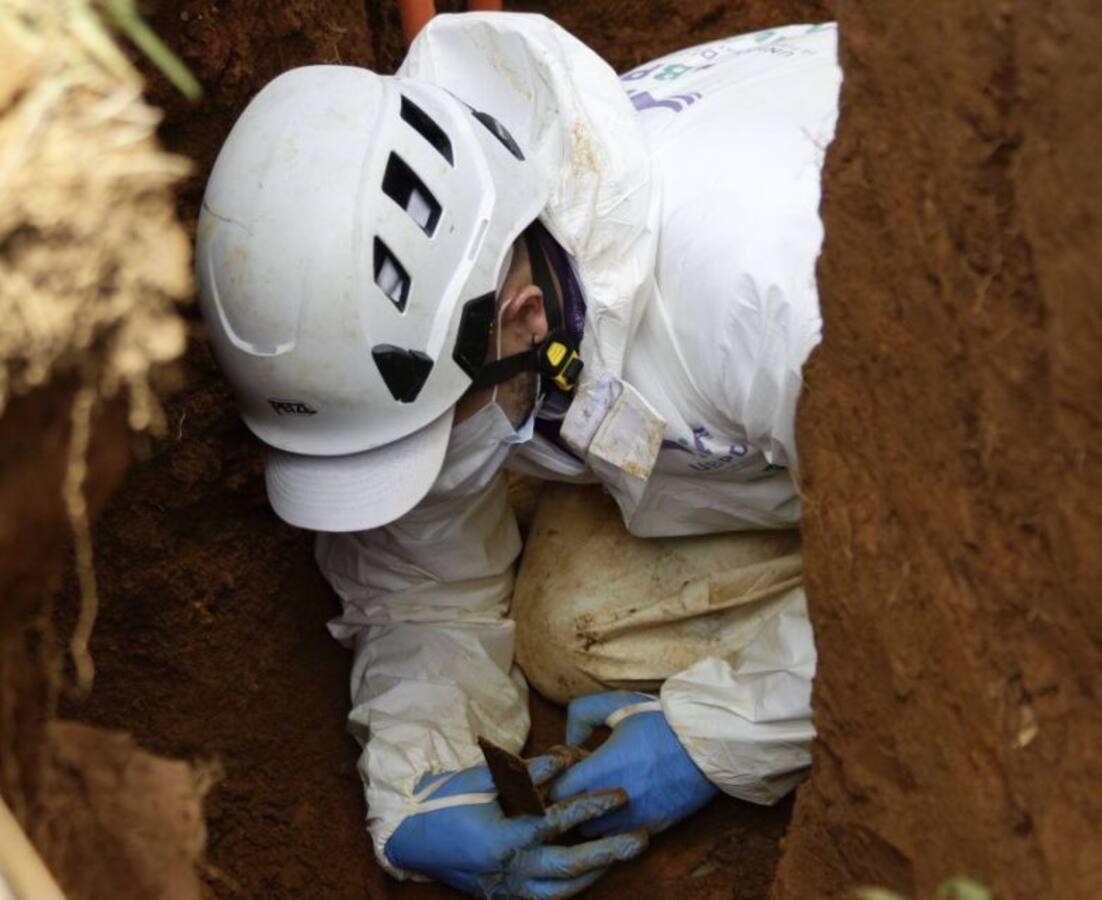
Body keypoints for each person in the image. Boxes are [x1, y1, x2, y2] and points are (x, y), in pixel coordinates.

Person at [195, 11, 841, 898]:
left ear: (525, 320)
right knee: (566, 629)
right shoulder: (458, 280)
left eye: (431, 437)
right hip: (778, 448)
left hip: (922, 448)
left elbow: (943, 569)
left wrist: (720, 735)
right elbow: (416, 571)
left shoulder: (767, 300)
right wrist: (420, 776)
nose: (423, 469)